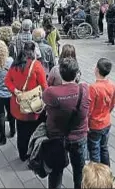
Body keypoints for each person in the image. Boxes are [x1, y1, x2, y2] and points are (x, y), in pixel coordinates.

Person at [43, 57, 90, 189]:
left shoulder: (50, 93)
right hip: (79, 136)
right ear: (77, 74)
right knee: (79, 169)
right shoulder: (84, 89)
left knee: (56, 171)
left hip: (57, 137)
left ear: (60, 73)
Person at [5, 41, 48, 161]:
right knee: (34, 132)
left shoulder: (15, 64)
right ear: (33, 51)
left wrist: (15, 91)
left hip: (19, 106)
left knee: (21, 133)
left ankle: (22, 155)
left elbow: (7, 81)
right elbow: (44, 86)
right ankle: (33, 155)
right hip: (34, 107)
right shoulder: (37, 66)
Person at [88, 58, 115, 166]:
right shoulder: (112, 85)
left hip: (95, 124)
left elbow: (89, 110)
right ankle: (106, 171)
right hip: (107, 121)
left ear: (97, 69)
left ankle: (97, 176)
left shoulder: (93, 88)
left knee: (94, 151)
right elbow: (112, 104)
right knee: (104, 148)